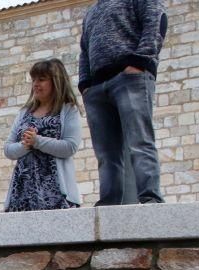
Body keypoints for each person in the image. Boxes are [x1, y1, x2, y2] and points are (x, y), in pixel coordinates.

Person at [78, 0, 167, 205]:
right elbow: (84, 49)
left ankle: (150, 197)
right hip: (97, 86)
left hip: (130, 76)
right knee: (106, 153)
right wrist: (85, 83)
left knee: (139, 140)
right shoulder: (92, 12)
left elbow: (156, 21)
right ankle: (109, 202)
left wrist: (140, 61)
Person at [3, 59, 83, 212]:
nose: (36, 84)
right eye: (33, 80)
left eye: (42, 79)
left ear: (56, 82)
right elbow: (8, 149)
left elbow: (70, 147)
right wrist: (24, 145)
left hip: (56, 192)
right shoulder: (24, 113)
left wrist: (37, 141)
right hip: (22, 191)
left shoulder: (68, 110)